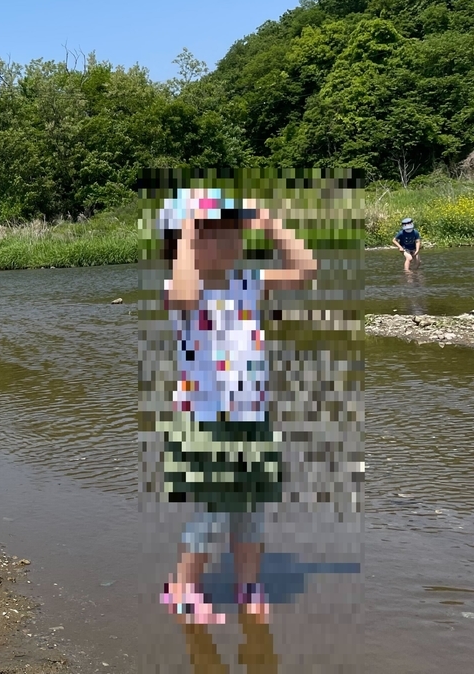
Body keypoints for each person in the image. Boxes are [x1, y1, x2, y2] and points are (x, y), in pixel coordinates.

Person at [156, 188, 316, 671]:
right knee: (214, 512)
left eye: (231, 230)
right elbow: (184, 291)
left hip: (251, 417)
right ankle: (181, 588)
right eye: (211, 233)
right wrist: (187, 233)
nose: (226, 240)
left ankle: (248, 584)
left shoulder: (250, 280)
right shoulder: (180, 287)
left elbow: (306, 269)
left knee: (249, 509)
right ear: (182, 241)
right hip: (206, 420)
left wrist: (270, 223)